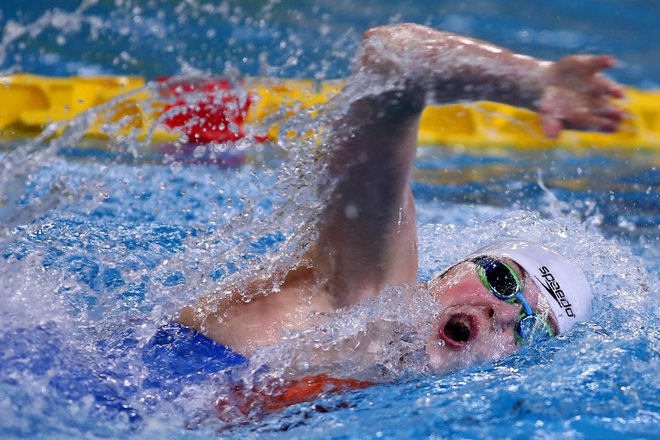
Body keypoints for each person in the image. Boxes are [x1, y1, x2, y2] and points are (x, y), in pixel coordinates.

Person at [172, 23, 624, 412]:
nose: (499, 310)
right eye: (502, 280)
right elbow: (388, 61)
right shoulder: (359, 295)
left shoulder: (382, 386)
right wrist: (534, 81)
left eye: (529, 327)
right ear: (448, 272)